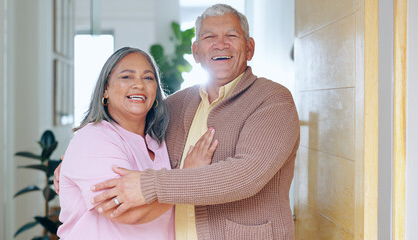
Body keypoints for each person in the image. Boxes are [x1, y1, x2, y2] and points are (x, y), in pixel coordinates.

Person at [56, 3, 299, 239]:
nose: (220, 44)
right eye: (209, 37)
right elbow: (108, 144)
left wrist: (151, 185)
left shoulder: (272, 100)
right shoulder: (175, 106)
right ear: (195, 52)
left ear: (249, 48)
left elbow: (246, 175)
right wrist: (68, 169)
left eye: (231, 35)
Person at [56, 47, 217, 239]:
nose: (139, 85)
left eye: (148, 78)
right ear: (105, 89)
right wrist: (187, 178)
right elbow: (126, 211)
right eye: (127, 77)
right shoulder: (94, 138)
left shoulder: (158, 142)